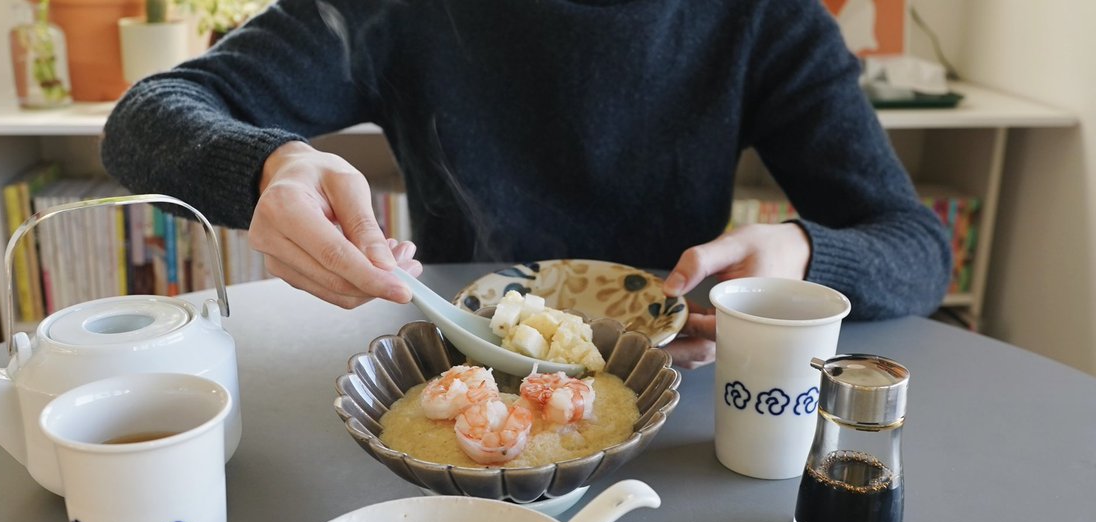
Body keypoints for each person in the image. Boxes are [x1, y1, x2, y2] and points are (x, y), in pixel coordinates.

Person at [101, 0, 952, 368]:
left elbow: (916, 247)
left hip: (681, 407)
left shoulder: (762, 18)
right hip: (458, 382)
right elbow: (146, 115)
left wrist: (804, 250)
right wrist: (267, 168)